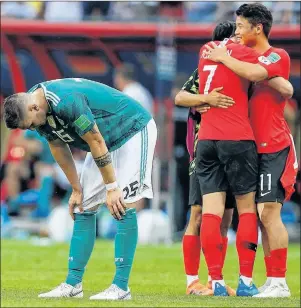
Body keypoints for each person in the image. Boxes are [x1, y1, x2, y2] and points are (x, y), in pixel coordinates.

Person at [3, 78, 157, 300]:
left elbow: (94, 140)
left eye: (32, 124)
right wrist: (76, 188)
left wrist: (112, 188)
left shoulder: (66, 101)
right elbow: (57, 145)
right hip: (104, 140)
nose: (34, 128)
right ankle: (73, 284)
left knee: (124, 203)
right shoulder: (35, 107)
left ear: (34, 107)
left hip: (132, 129)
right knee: (83, 205)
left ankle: (121, 287)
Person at [205, 3, 297, 298]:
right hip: (250, 147)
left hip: (275, 145)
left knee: (268, 212)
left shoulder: (276, 54)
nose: (238, 32)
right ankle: (271, 279)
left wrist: (224, 55)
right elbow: (272, 82)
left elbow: (257, 72)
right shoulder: (244, 55)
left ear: (258, 28)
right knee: (260, 215)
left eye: (242, 26)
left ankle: (280, 282)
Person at [175, 21, 238, 297]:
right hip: (205, 151)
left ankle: (216, 280)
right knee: (198, 214)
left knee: (225, 218)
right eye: (233, 37)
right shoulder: (205, 69)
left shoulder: (241, 71)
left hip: (233, 149)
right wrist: (206, 98)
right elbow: (179, 97)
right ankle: (192, 280)